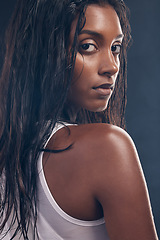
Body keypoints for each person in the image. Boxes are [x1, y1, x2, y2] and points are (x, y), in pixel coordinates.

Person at [0, 0, 159, 239]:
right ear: (45, 51)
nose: (112, 66)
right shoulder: (107, 147)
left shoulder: (10, 151)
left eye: (115, 47)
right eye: (88, 46)